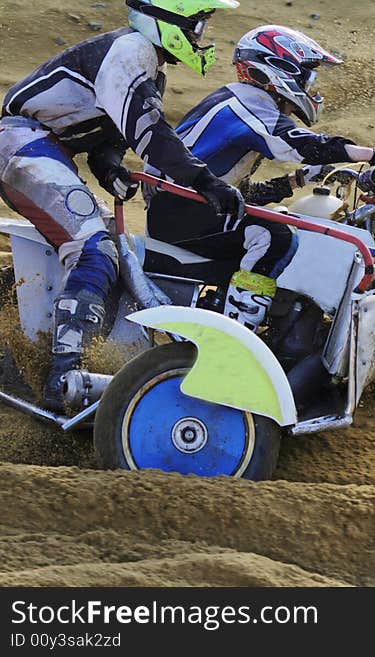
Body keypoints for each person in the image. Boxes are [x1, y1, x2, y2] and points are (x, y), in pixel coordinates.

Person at [0, 0, 247, 411]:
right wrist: (207, 182)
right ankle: (64, 375)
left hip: (41, 147)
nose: (200, 38)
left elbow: (106, 135)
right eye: (197, 26)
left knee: (116, 250)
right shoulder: (132, 51)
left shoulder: (148, 65)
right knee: (94, 251)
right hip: (24, 145)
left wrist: (110, 167)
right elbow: (151, 134)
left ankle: (51, 349)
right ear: (170, 21)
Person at [144, 25, 375, 331]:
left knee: (279, 221)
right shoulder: (246, 103)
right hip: (179, 210)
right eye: (306, 78)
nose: (311, 88)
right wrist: (374, 154)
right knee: (275, 236)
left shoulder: (241, 101)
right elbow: (304, 145)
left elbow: (239, 194)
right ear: (278, 70)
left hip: (188, 207)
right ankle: (238, 332)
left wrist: (297, 181)